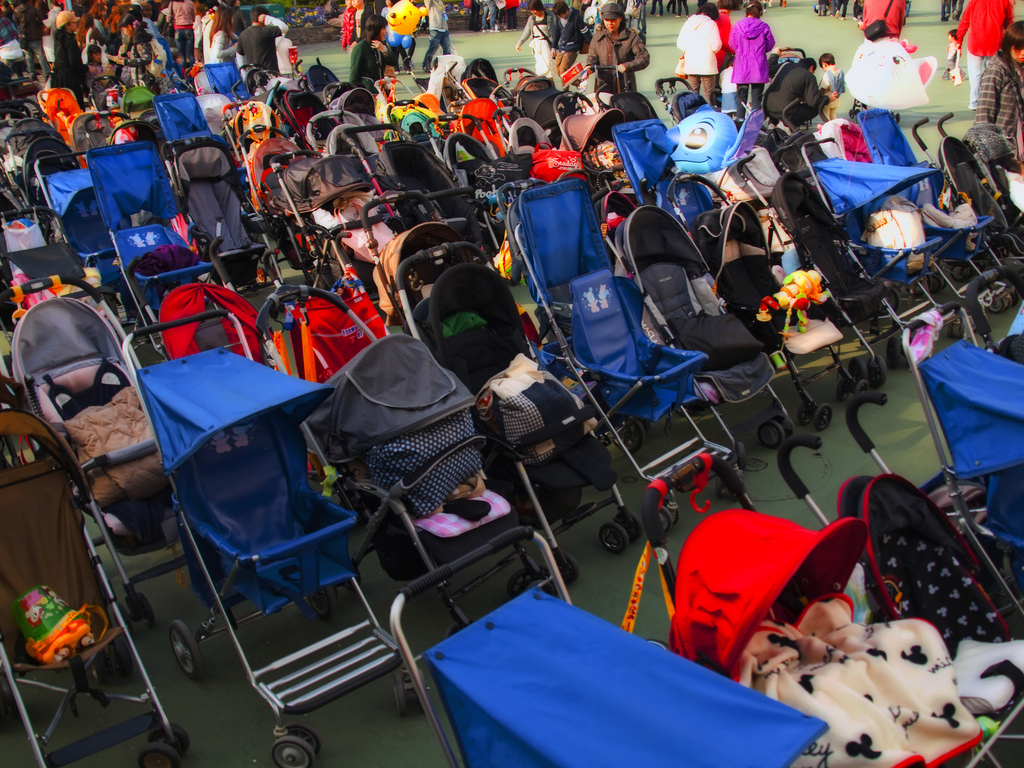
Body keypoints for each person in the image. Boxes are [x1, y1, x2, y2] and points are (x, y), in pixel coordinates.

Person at [976, 20, 1024, 158]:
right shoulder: (996, 72)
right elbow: (984, 115)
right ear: (1009, 45)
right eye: (1018, 48)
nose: (1022, 52)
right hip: (1004, 148)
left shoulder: (1019, 68)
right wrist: (988, 153)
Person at [956, 0, 1014, 110]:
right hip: (994, 43)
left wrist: (959, 39)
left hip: (975, 43)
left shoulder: (974, 1)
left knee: (975, 74)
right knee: (993, 74)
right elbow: (1009, 22)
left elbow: (965, 20)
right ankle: (992, 100)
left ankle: (974, 102)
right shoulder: (1004, 1)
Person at [586, 2, 649, 94]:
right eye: (607, 20)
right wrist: (589, 67)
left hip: (625, 86)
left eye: (613, 20)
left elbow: (644, 58)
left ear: (621, 19)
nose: (610, 23)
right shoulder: (597, 37)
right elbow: (592, 57)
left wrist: (627, 66)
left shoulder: (631, 38)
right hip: (603, 86)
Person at [729, 0, 773, 118]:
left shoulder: (738, 26)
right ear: (759, 12)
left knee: (741, 100)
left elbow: (732, 44)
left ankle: (740, 121)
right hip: (758, 66)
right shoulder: (764, 26)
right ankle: (755, 126)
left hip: (741, 65)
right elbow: (770, 44)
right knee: (756, 101)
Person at [763, 56, 832, 126]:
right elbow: (813, 102)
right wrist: (827, 98)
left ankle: (773, 123)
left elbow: (769, 69)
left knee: (784, 100)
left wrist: (775, 55)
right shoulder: (808, 75)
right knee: (816, 108)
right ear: (811, 68)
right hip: (785, 113)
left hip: (767, 109)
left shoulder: (786, 66)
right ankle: (787, 126)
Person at [676, 3, 720, 103]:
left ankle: (694, 116)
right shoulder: (711, 24)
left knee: (693, 94)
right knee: (708, 95)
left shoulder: (689, 22)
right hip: (707, 65)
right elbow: (716, 46)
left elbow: (680, 43)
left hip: (691, 63)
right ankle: (708, 116)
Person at [349, 12, 395, 88]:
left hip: (381, 90)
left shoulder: (381, 45)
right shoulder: (360, 48)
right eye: (384, 29)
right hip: (368, 92)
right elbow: (353, 76)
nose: (386, 32)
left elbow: (394, 62)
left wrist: (384, 50)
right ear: (376, 30)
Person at [236, 5, 287, 71]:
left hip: (253, 76)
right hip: (270, 75)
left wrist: (245, 73)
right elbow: (284, 28)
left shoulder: (243, 35)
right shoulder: (265, 31)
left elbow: (239, 55)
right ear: (262, 18)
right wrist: (268, 19)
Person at [515, 0, 557, 79]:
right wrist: (519, 43)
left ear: (539, 8)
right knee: (541, 67)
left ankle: (550, 85)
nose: (534, 13)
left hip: (546, 45)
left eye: (535, 10)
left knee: (548, 66)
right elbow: (527, 32)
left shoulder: (550, 17)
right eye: (532, 11)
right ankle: (543, 84)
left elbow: (556, 31)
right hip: (536, 45)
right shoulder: (532, 18)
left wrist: (556, 46)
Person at [52, 9, 87, 103]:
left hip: (59, 77)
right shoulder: (70, 41)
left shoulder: (59, 38)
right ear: (67, 25)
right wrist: (86, 68)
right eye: (74, 22)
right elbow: (74, 62)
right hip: (70, 79)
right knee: (75, 105)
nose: (77, 24)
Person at [15, 0, 48, 79]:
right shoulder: (33, 9)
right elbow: (41, 20)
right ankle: (46, 72)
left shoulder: (16, 10)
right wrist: (36, 24)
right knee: (40, 56)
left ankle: (31, 73)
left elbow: (16, 22)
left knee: (28, 56)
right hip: (35, 35)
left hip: (24, 37)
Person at [553, 0, 588, 75]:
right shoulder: (559, 18)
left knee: (563, 71)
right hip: (562, 46)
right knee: (559, 71)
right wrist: (554, 46)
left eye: (560, 15)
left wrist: (593, 44)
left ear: (566, 10)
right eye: (558, 16)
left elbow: (585, 32)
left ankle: (567, 86)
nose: (559, 17)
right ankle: (578, 83)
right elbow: (557, 32)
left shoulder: (576, 17)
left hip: (572, 47)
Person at [161, 0, 195, 67]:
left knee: (182, 54)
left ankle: (183, 72)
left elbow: (168, 18)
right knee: (190, 54)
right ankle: (193, 72)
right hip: (189, 28)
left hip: (178, 29)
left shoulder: (172, 3)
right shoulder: (190, 2)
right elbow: (193, 16)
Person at [420, 0, 450, 72]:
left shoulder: (440, 2)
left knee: (447, 49)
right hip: (435, 29)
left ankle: (447, 66)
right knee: (432, 49)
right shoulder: (430, 2)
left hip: (444, 29)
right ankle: (425, 65)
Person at [818, 52, 844, 120]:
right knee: (833, 113)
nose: (823, 69)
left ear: (825, 64)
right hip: (837, 98)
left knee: (825, 114)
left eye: (822, 67)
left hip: (829, 98)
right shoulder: (841, 72)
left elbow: (825, 86)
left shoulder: (828, 74)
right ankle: (834, 127)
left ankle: (827, 127)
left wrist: (820, 93)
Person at [715, 0, 736, 69]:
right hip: (719, 56)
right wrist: (736, 51)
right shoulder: (724, 17)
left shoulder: (717, 14)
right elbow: (724, 42)